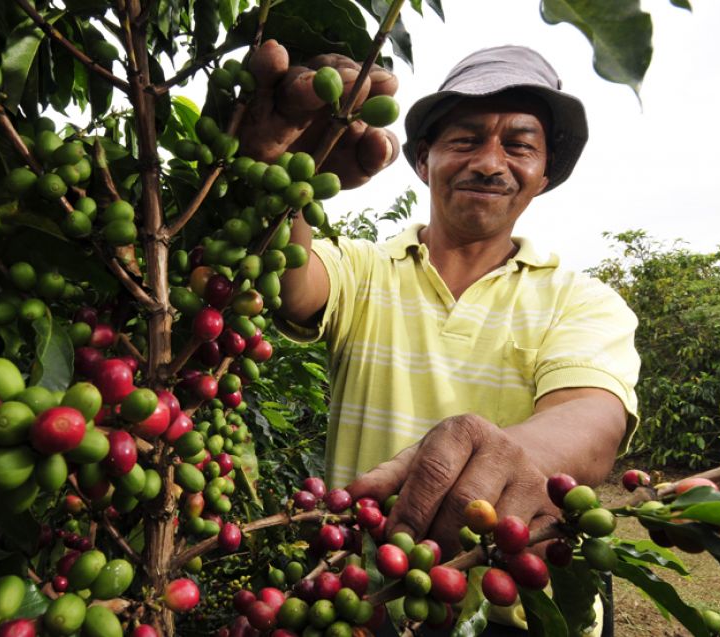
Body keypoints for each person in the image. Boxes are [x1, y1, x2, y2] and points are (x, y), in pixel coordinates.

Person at [240, 41, 640, 635]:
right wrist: (282, 165)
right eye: (466, 139)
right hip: (368, 602)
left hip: (515, 614)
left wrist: (501, 453)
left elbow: (592, 419)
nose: (489, 161)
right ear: (423, 161)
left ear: (544, 174)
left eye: (519, 144)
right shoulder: (363, 270)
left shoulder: (582, 300)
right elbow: (292, 281)